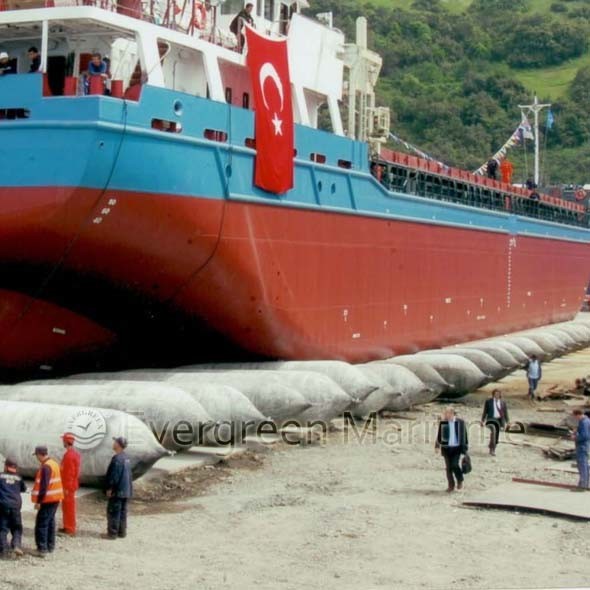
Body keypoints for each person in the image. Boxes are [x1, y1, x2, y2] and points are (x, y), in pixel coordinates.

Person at [31, 445, 64, 557]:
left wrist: (39, 501)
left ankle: (42, 549)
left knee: (42, 524)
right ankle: (50, 546)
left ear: (40, 454)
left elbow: (43, 486)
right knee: (50, 522)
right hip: (55, 498)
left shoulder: (46, 467)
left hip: (47, 499)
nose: (36, 458)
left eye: (36, 455)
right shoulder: (54, 464)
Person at [103, 437, 133, 540]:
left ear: (118, 445)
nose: (113, 443)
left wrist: (109, 488)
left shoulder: (117, 459)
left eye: (115, 442)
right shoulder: (126, 458)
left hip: (118, 490)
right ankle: (122, 532)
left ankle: (112, 533)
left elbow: (114, 476)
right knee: (123, 512)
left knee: (113, 511)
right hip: (126, 490)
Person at [435, 407, 468, 492]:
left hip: (456, 448)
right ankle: (451, 485)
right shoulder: (443, 423)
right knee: (448, 468)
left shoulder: (460, 422)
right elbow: (439, 435)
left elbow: (464, 435)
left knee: (455, 465)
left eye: (448, 413)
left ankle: (460, 480)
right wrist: (437, 446)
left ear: (453, 414)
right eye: (445, 413)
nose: (446, 415)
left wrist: (465, 448)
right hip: (446, 448)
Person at [0, 459, 26, 558]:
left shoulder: (0, 476)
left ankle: (4, 550)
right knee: (17, 527)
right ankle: (16, 545)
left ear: (6, 466)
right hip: (16, 506)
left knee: (2, 528)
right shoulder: (19, 478)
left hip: (3, 505)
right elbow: (23, 489)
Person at [59, 433, 81, 537]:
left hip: (68, 486)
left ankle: (69, 528)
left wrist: (66, 487)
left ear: (66, 442)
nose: (62, 442)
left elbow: (69, 473)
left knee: (68, 507)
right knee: (67, 507)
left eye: (63, 440)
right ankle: (67, 526)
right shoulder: (74, 454)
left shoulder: (69, 456)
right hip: (70, 485)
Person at [481, 389, 509, 456]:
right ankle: (492, 449)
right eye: (495, 394)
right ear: (493, 394)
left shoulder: (503, 402)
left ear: (500, 395)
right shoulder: (488, 401)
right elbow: (485, 411)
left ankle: (492, 444)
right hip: (491, 420)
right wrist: (482, 420)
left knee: (496, 435)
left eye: (498, 394)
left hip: (499, 420)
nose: (497, 395)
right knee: (493, 430)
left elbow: (505, 413)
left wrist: (508, 421)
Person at [570, 409, 590, 491]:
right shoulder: (587, 420)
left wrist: (575, 437)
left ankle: (582, 485)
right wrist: (576, 431)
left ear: (577, 414)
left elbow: (585, 436)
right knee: (585, 465)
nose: (575, 418)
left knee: (582, 465)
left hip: (582, 446)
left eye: (575, 416)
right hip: (585, 446)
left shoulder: (583, 422)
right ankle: (585, 484)